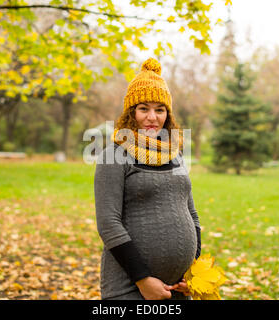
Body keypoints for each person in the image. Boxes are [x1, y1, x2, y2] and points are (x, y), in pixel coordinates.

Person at [94, 57, 202, 300]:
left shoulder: (175, 153)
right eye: (144, 108)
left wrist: (192, 272)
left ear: (168, 114)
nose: (152, 117)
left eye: (160, 109)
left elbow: (192, 214)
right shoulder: (114, 155)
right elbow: (108, 223)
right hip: (131, 287)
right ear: (131, 113)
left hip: (178, 288)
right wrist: (142, 280)